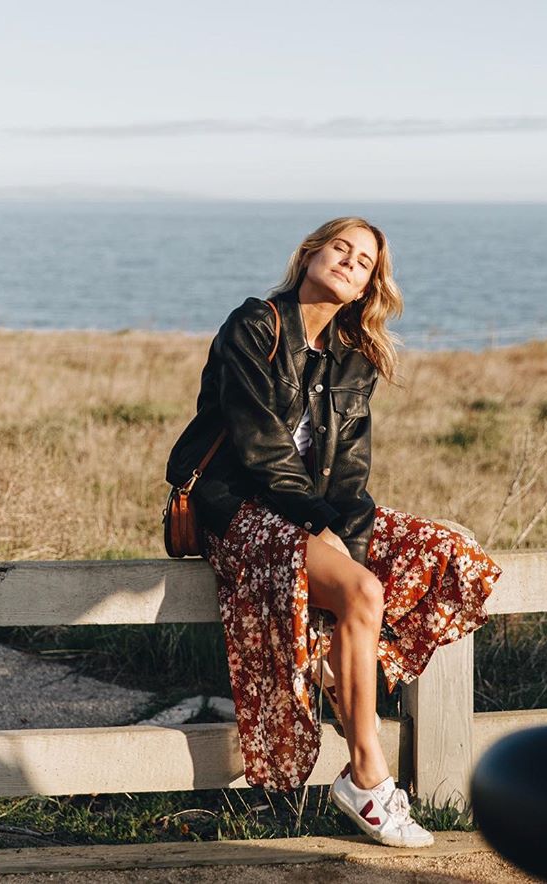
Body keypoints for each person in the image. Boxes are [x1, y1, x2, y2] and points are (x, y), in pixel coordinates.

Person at [165, 216, 503, 849]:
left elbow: (350, 471)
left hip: (313, 514)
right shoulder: (255, 324)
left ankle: (338, 664)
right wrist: (323, 532)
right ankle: (367, 777)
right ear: (310, 255)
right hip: (237, 509)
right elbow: (260, 446)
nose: (349, 262)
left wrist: (347, 540)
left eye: (364, 261)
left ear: (368, 286)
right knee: (362, 592)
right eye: (340, 249)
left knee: (448, 553)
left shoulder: (354, 357)